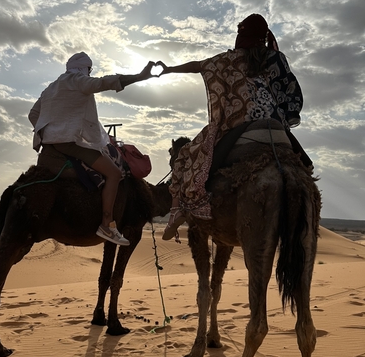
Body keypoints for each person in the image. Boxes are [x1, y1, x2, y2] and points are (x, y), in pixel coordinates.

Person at [156, 13, 304, 241]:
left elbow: (199, 66)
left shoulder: (229, 59)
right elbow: (290, 90)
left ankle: (178, 212)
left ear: (241, 35)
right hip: (277, 126)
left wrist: (169, 69)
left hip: (242, 123)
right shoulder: (276, 58)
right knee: (305, 167)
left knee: (187, 155)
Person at [28, 52, 155, 246]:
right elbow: (103, 83)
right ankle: (107, 225)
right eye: (89, 69)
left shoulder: (51, 88)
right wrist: (139, 77)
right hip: (70, 143)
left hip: (49, 144)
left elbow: (33, 114)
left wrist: (50, 130)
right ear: (85, 68)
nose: (89, 73)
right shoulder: (77, 80)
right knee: (114, 173)